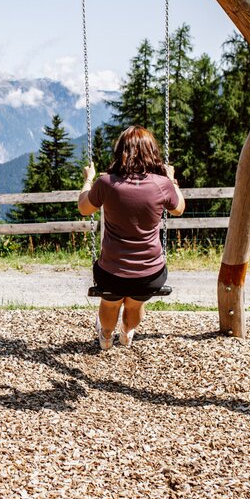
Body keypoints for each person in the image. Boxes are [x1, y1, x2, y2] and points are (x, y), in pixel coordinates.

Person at [77, 125, 185, 349]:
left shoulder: (107, 183)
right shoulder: (162, 184)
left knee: (110, 303)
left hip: (111, 272)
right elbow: (179, 209)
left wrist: (88, 180)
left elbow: (84, 208)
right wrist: (172, 180)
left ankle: (106, 336)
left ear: (121, 151)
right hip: (150, 273)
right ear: (151, 152)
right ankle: (126, 332)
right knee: (135, 304)